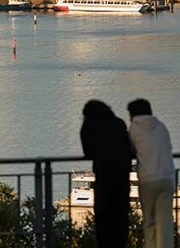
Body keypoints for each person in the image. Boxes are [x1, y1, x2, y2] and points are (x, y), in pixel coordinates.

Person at [80, 100, 133, 248]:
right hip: (122, 177)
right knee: (121, 219)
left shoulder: (88, 126)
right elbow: (128, 148)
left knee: (104, 221)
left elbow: (88, 152)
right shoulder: (119, 123)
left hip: (104, 177)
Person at [128, 98, 175, 248]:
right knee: (165, 222)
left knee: (149, 221)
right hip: (167, 178)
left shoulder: (134, 128)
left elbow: (130, 151)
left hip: (148, 179)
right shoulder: (161, 127)